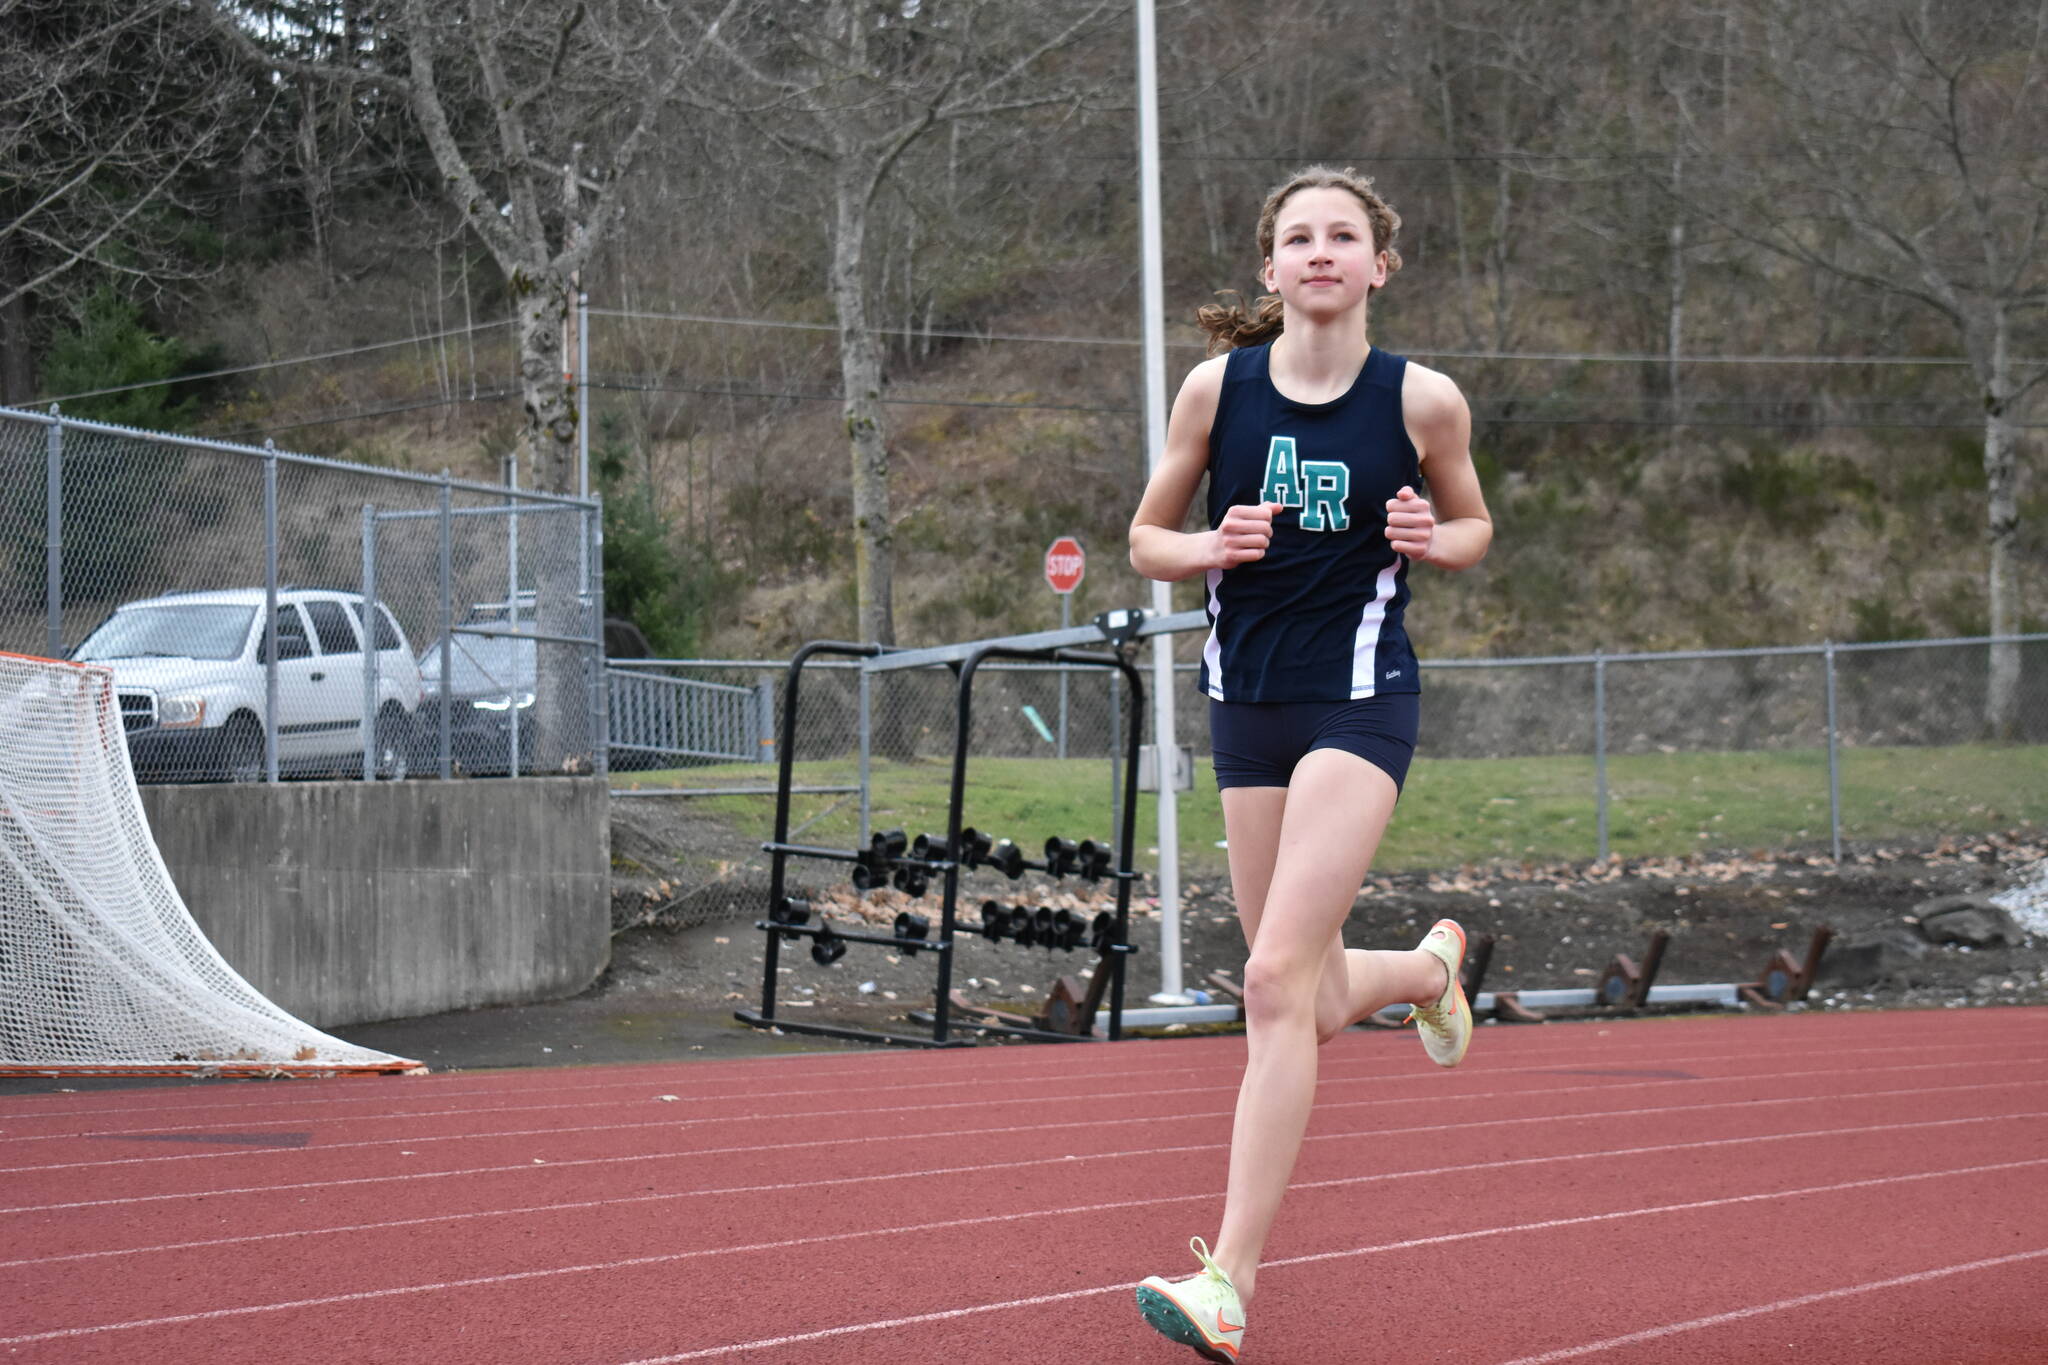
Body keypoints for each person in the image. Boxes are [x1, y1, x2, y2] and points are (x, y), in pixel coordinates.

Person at [1126, 165, 1493, 1361]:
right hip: (1245, 713)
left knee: (1271, 986)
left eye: (1344, 235)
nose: (1321, 251)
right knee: (1315, 995)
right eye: (1299, 237)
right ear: (1270, 269)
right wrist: (1205, 547)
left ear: (1377, 266)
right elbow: (1143, 538)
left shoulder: (1421, 401)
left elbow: (1473, 523)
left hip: (1358, 706)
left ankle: (1225, 1283)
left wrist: (1430, 540)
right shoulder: (1212, 391)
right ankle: (1431, 974)